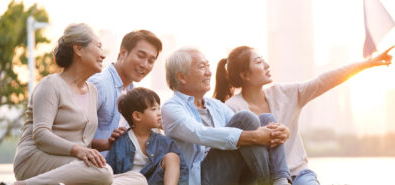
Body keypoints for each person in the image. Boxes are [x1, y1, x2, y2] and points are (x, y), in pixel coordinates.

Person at [214, 45, 394, 185]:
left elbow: (323, 81)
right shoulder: (232, 109)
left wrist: (367, 63)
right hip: (260, 178)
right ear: (245, 75)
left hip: (299, 173)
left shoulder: (285, 94)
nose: (267, 65)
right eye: (259, 62)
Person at [11, 23, 146, 185]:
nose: (103, 55)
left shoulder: (92, 91)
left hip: (71, 163)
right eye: (98, 47)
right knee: (102, 171)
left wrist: (107, 143)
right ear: (78, 49)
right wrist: (79, 150)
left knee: (138, 179)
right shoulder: (50, 84)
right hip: (34, 159)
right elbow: (41, 135)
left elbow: (82, 141)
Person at [162, 48, 293, 185]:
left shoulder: (215, 106)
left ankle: (281, 180)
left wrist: (282, 131)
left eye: (208, 66)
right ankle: (268, 182)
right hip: (201, 179)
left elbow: (249, 127)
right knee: (245, 118)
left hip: (232, 175)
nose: (209, 72)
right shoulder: (171, 108)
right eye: (202, 67)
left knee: (266, 119)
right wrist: (255, 136)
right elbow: (199, 133)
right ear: (182, 77)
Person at [88, 30, 163, 158]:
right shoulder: (99, 85)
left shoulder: (133, 93)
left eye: (151, 61)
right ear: (123, 52)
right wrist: (106, 143)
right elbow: (73, 138)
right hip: (91, 167)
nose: (145, 65)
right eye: (140, 56)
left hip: (118, 169)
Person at [106, 87, 189, 185]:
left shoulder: (165, 142)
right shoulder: (120, 142)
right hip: (129, 182)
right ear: (137, 116)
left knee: (172, 157)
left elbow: (182, 170)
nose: (159, 113)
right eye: (154, 109)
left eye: (159, 108)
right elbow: (109, 172)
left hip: (153, 182)